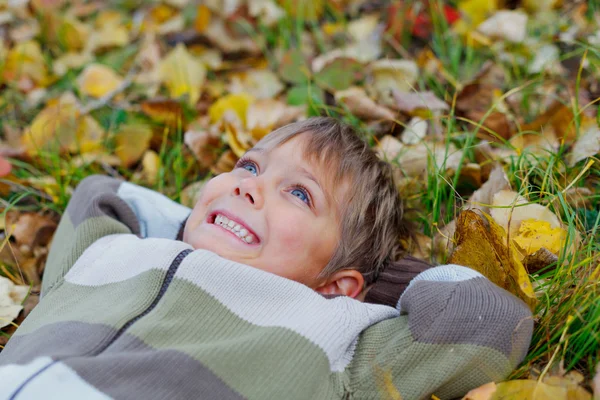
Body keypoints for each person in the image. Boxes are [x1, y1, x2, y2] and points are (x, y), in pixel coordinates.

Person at [0, 117, 533, 400]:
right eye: (249, 166)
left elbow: (488, 321)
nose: (246, 189)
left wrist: (371, 281)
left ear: (339, 284)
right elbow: (99, 192)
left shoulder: (337, 335)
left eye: (299, 194)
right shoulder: (111, 253)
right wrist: (187, 229)